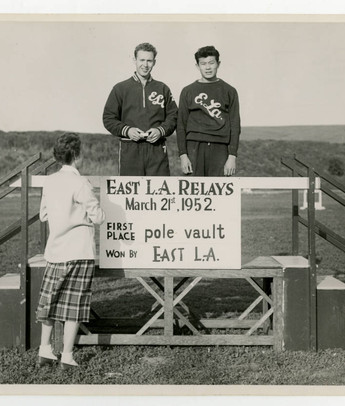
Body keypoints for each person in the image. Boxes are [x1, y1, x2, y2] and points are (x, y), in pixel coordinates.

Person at [36, 132, 105, 369]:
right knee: (73, 305)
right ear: (76, 154)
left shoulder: (50, 181)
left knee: (50, 302)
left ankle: (44, 349)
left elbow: (43, 214)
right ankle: (66, 354)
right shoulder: (81, 183)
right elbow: (98, 217)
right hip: (79, 250)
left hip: (55, 250)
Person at [103, 42, 178, 176]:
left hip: (157, 148)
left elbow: (174, 116)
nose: (145, 64)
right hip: (130, 148)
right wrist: (127, 130)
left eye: (149, 60)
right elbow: (108, 118)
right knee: (130, 194)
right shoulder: (120, 88)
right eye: (142, 60)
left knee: (159, 192)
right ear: (134, 60)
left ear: (154, 62)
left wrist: (160, 131)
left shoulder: (162, 88)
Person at [177, 45, 241, 177]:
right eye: (203, 64)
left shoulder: (229, 91)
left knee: (220, 193)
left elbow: (235, 125)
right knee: (193, 192)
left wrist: (232, 156)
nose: (207, 67)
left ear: (218, 64)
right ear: (197, 66)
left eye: (211, 63)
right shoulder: (188, 91)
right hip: (194, 147)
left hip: (220, 148)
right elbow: (181, 125)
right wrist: (183, 155)